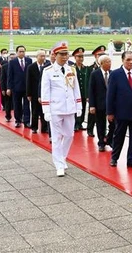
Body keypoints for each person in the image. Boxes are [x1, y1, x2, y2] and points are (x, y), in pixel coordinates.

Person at [41, 41, 82, 177]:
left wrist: (79, 105)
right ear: (55, 55)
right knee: (57, 137)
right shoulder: (48, 72)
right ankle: (59, 164)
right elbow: (45, 92)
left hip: (69, 107)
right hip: (56, 108)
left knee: (69, 135)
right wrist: (46, 110)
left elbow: (76, 89)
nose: (65, 57)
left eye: (66, 54)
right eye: (62, 54)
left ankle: (62, 157)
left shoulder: (72, 69)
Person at [107, 51, 132, 169]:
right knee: (119, 136)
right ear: (122, 60)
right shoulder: (115, 74)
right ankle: (114, 157)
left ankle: (131, 160)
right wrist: (110, 112)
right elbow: (110, 95)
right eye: (128, 60)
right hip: (121, 112)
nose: (131, 62)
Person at [89, 55, 114, 152]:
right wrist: (92, 105)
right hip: (99, 104)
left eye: (110, 61)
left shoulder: (113, 73)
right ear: (101, 63)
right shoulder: (95, 74)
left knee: (113, 124)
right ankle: (101, 143)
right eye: (107, 62)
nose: (109, 63)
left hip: (111, 105)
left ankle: (109, 139)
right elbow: (91, 90)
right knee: (100, 124)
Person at [7, 45, 32, 128]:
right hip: (16, 87)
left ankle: (27, 121)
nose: (22, 53)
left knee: (26, 105)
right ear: (17, 52)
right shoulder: (12, 62)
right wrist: (9, 88)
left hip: (26, 87)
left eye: (23, 51)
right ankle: (18, 120)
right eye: (20, 51)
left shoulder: (29, 60)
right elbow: (10, 76)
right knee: (17, 105)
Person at [27, 50, 49, 134]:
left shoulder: (47, 66)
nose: (43, 58)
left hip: (44, 92)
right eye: (41, 56)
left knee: (44, 111)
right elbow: (28, 81)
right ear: (37, 57)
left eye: (44, 56)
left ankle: (44, 127)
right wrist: (28, 94)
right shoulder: (31, 67)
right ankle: (34, 127)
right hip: (34, 92)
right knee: (35, 111)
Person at [87, 45, 106, 137]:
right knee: (92, 114)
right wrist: (88, 97)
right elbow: (89, 84)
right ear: (95, 56)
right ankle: (90, 129)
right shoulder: (91, 68)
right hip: (94, 95)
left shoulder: (107, 67)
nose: (102, 56)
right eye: (99, 54)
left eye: (103, 54)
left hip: (104, 97)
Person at [72, 47, 91, 131]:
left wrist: (87, 94)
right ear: (75, 58)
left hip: (83, 93)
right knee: (75, 108)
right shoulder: (72, 68)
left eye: (82, 57)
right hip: (74, 93)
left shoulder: (85, 68)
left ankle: (80, 123)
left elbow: (87, 82)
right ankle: (75, 123)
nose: (81, 59)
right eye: (79, 57)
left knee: (82, 108)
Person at [0, 53, 15, 122]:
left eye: (13, 58)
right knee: (8, 102)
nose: (12, 59)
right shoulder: (5, 67)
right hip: (7, 87)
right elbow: (2, 79)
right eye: (11, 58)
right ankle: (8, 115)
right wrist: (3, 89)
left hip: (16, 87)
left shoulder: (17, 66)